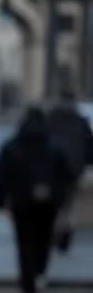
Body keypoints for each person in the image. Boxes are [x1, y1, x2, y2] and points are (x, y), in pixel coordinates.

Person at [0, 108, 75, 293]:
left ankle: (28, 292)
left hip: (21, 204)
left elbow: (1, 175)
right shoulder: (54, 146)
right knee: (43, 241)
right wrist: (61, 201)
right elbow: (67, 176)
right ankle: (39, 274)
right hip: (48, 204)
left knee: (25, 245)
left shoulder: (12, 146)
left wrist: (1, 202)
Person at [47, 88, 93, 252]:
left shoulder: (51, 118)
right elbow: (89, 146)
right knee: (68, 203)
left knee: (53, 202)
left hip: (53, 167)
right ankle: (65, 233)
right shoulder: (80, 121)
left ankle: (54, 231)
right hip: (73, 168)